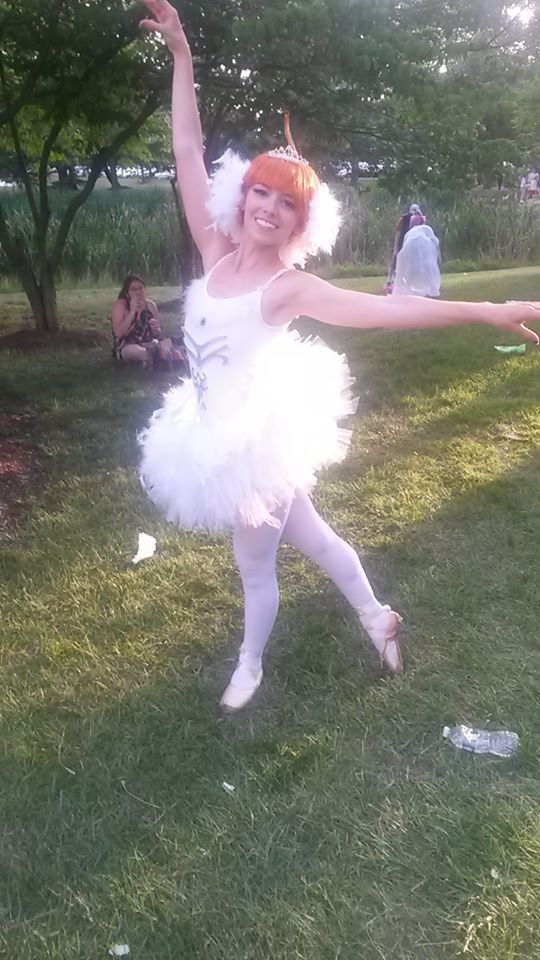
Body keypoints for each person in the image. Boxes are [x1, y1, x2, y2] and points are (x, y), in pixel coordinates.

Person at [138, 0, 539, 713]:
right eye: (260, 192)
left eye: (285, 203)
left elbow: (388, 310)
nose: (267, 208)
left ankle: (249, 667)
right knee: (317, 539)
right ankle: (377, 616)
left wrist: (486, 309)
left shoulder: (287, 287)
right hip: (208, 428)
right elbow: (187, 153)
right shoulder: (215, 252)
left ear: (301, 221)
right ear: (242, 196)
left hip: (248, 447)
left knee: (254, 566)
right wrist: (182, 57)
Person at [111, 275, 162, 367]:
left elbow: (157, 334)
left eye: (140, 288)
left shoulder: (151, 305)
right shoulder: (120, 305)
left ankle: (153, 358)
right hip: (128, 346)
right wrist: (132, 312)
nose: (138, 292)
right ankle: (152, 358)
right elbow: (118, 334)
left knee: (158, 343)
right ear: (127, 293)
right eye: (133, 289)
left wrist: (157, 330)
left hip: (148, 343)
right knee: (134, 350)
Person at [391, 214, 441, 298]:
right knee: (428, 269)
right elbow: (435, 241)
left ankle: (411, 289)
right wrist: (437, 255)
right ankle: (430, 289)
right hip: (424, 247)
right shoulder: (426, 228)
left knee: (411, 271)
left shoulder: (409, 233)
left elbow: (405, 248)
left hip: (409, 250)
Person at [385, 203, 425, 294]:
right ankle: (389, 281)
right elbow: (398, 232)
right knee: (395, 261)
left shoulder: (420, 219)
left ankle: (406, 283)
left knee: (408, 264)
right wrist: (395, 247)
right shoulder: (404, 219)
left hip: (410, 244)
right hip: (402, 242)